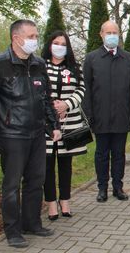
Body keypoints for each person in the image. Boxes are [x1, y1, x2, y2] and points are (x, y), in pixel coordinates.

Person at [0, 19, 61, 248]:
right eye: (31, 36)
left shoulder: (39, 64)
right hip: (12, 135)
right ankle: (12, 231)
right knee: (12, 185)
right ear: (16, 38)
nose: (35, 40)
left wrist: (54, 125)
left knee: (36, 180)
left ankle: (32, 223)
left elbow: (46, 98)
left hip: (36, 133)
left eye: (36, 36)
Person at [82, 21, 130, 203]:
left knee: (118, 154)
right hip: (100, 116)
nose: (112, 35)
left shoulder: (128, 58)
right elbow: (86, 88)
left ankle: (118, 187)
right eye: (108, 32)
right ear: (101, 34)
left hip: (121, 116)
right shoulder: (92, 58)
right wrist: (88, 114)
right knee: (101, 154)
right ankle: (102, 188)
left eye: (115, 32)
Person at [41, 31, 86, 221]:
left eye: (63, 43)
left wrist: (66, 104)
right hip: (46, 124)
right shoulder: (40, 66)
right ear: (50, 45)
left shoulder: (75, 67)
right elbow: (37, 90)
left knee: (66, 165)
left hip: (69, 123)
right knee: (47, 165)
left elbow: (82, 89)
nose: (59, 46)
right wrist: (51, 107)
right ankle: (51, 203)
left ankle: (65, 201)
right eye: (56, 43)